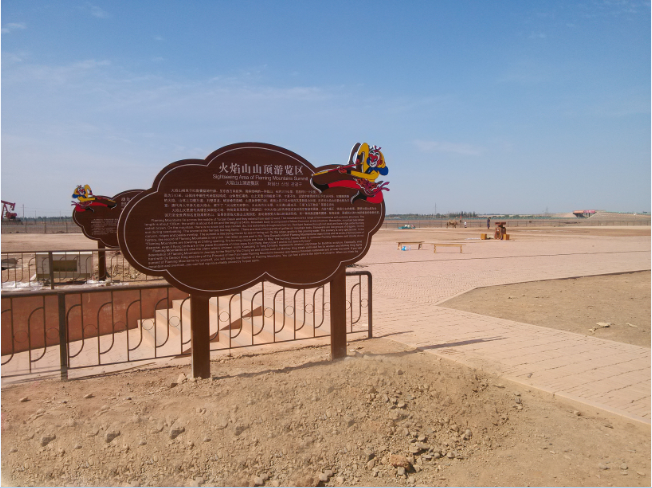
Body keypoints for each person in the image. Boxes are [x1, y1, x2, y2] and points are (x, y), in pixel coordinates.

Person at [310, 143, 389, 204]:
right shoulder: (366, 162)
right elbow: (364, 145)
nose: (371, 160)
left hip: (368, 186)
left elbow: (363, 175)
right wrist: (358, 158)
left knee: (378, 198)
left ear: (379, 161)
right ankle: (324, 187)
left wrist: (347, 171)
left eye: (374, 159)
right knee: (344, 182)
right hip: (361, 181)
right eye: (370, 158)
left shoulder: (375, 173)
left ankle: (361, 197)